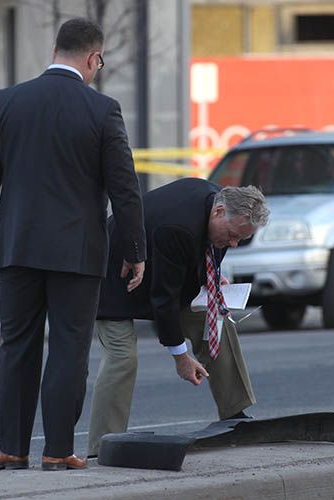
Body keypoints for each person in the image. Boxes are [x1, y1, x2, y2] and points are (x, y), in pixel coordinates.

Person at [0, 18, 146, 472]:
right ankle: (58, 450)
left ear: (55, 49)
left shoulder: (7, 102)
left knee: (17, 345)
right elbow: (125, 189)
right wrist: (135, 250)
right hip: (77, 252)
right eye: (99, 61)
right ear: (92, 58)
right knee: (68, 347)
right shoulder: (102, 110)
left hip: (18, 248)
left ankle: (11, 448)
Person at [87, 178, 270, 457]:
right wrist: (181, 357)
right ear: (219, 212)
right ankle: (102, 445)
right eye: (232, 235)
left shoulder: (223, 202)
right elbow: (164, 300)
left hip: (160, 273)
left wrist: (210, 276)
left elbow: (198, 254)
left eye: (240, 240)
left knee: (216, 322)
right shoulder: (178, 226)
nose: (233, 244)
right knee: (122, 357)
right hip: (114, 277)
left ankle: (235, 414)